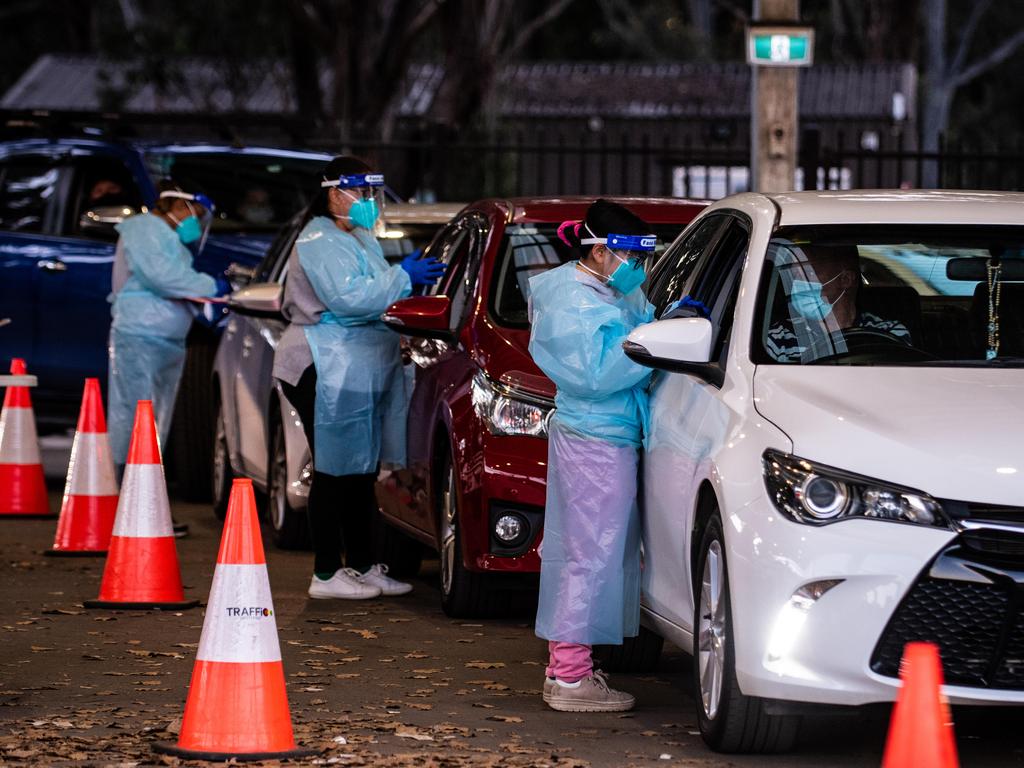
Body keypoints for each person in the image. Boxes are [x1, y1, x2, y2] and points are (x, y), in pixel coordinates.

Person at [272, 155, 445, 601]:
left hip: (352, 365)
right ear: (333, 194)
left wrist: (398, 284)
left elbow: (372, 295)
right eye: (360, 192)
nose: (369, 202)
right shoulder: (317, 241)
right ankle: (326, 573)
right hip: (321, 364)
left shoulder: (360, 236)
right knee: (333, 471)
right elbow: (350, 299)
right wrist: (402, 276)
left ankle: (363, 566)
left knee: (359, 470)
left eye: (372, 193)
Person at [527, 199, 657, 713]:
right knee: (589, 554)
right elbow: (597, 374)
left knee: (591, 550)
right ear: (601, 252)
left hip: (604, 436)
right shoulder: (573, 304)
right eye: (629, 256)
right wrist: (652, 342)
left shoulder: (600, 287)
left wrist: (655, 325)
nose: (638, 269)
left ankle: (571, 666)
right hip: (595, 439)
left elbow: (636, 322)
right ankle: (569, 675)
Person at [108, 181, 230, 479]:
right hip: (141, 333)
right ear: (177, 206)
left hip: (162, 337)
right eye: (195, 213)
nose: (197, 223)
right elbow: (163, 277)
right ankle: (127, 490)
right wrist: (212, 287)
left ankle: (144, 496)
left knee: (152, 418)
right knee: (137, 414)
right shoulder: (145, 229)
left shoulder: (165, 237)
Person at [766, 243, 910, 362]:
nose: (797, 282)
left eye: (808, 273)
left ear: (845, 280)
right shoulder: (779, 339)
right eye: (795, 274)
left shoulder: (890, 333)